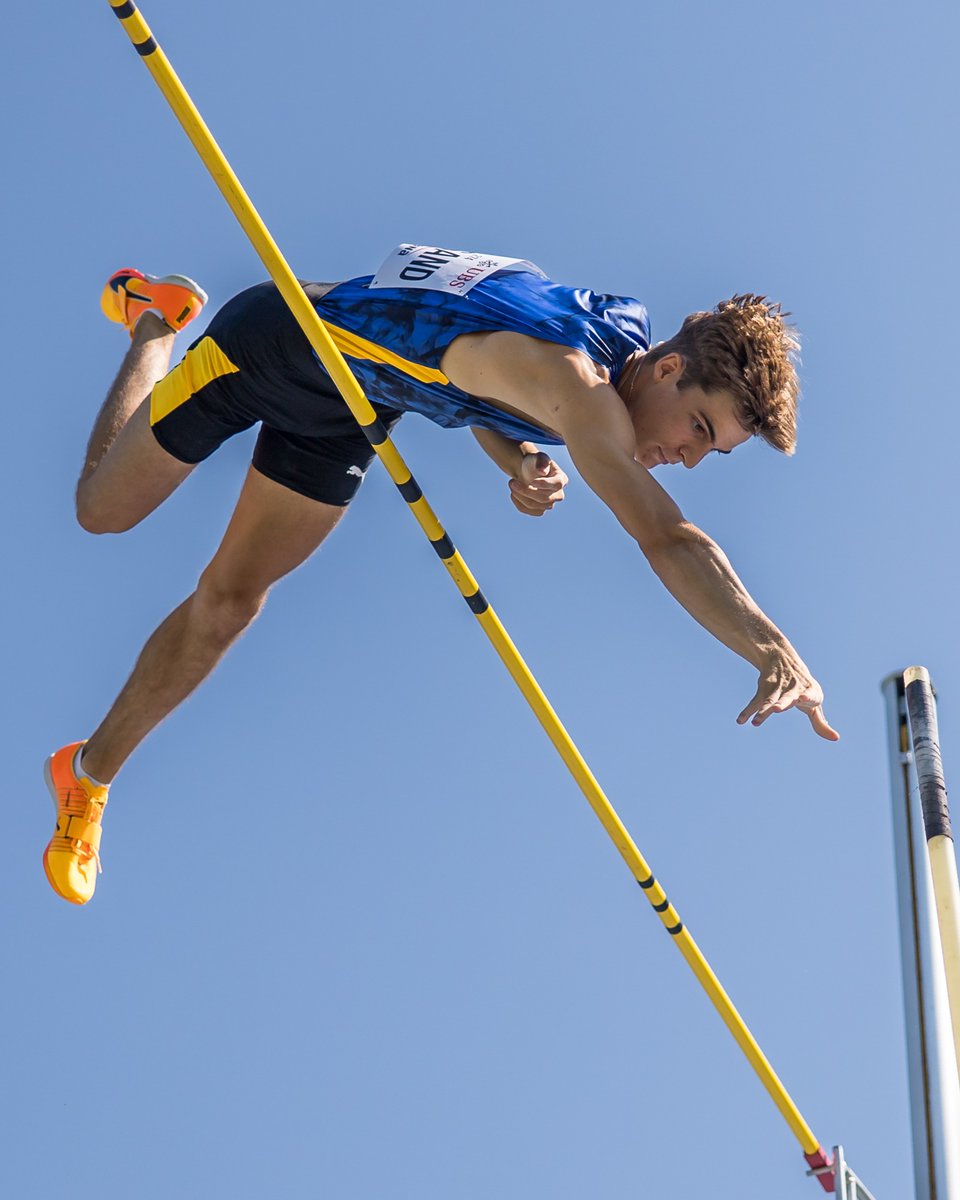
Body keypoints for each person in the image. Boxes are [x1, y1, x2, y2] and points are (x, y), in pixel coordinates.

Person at [42, 246, 838, 905]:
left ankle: (85, 779)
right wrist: (773, 648)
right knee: (101, 511)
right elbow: (666, 536)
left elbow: (478, 369)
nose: (688, 457)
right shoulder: (581, 386)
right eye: (698, 427)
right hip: (275, 345)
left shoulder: (617, 334)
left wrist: (519, 452)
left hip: (353, 406)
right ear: (667, 371)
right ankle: (154, 321)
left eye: (712, 451)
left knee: (230, 604)